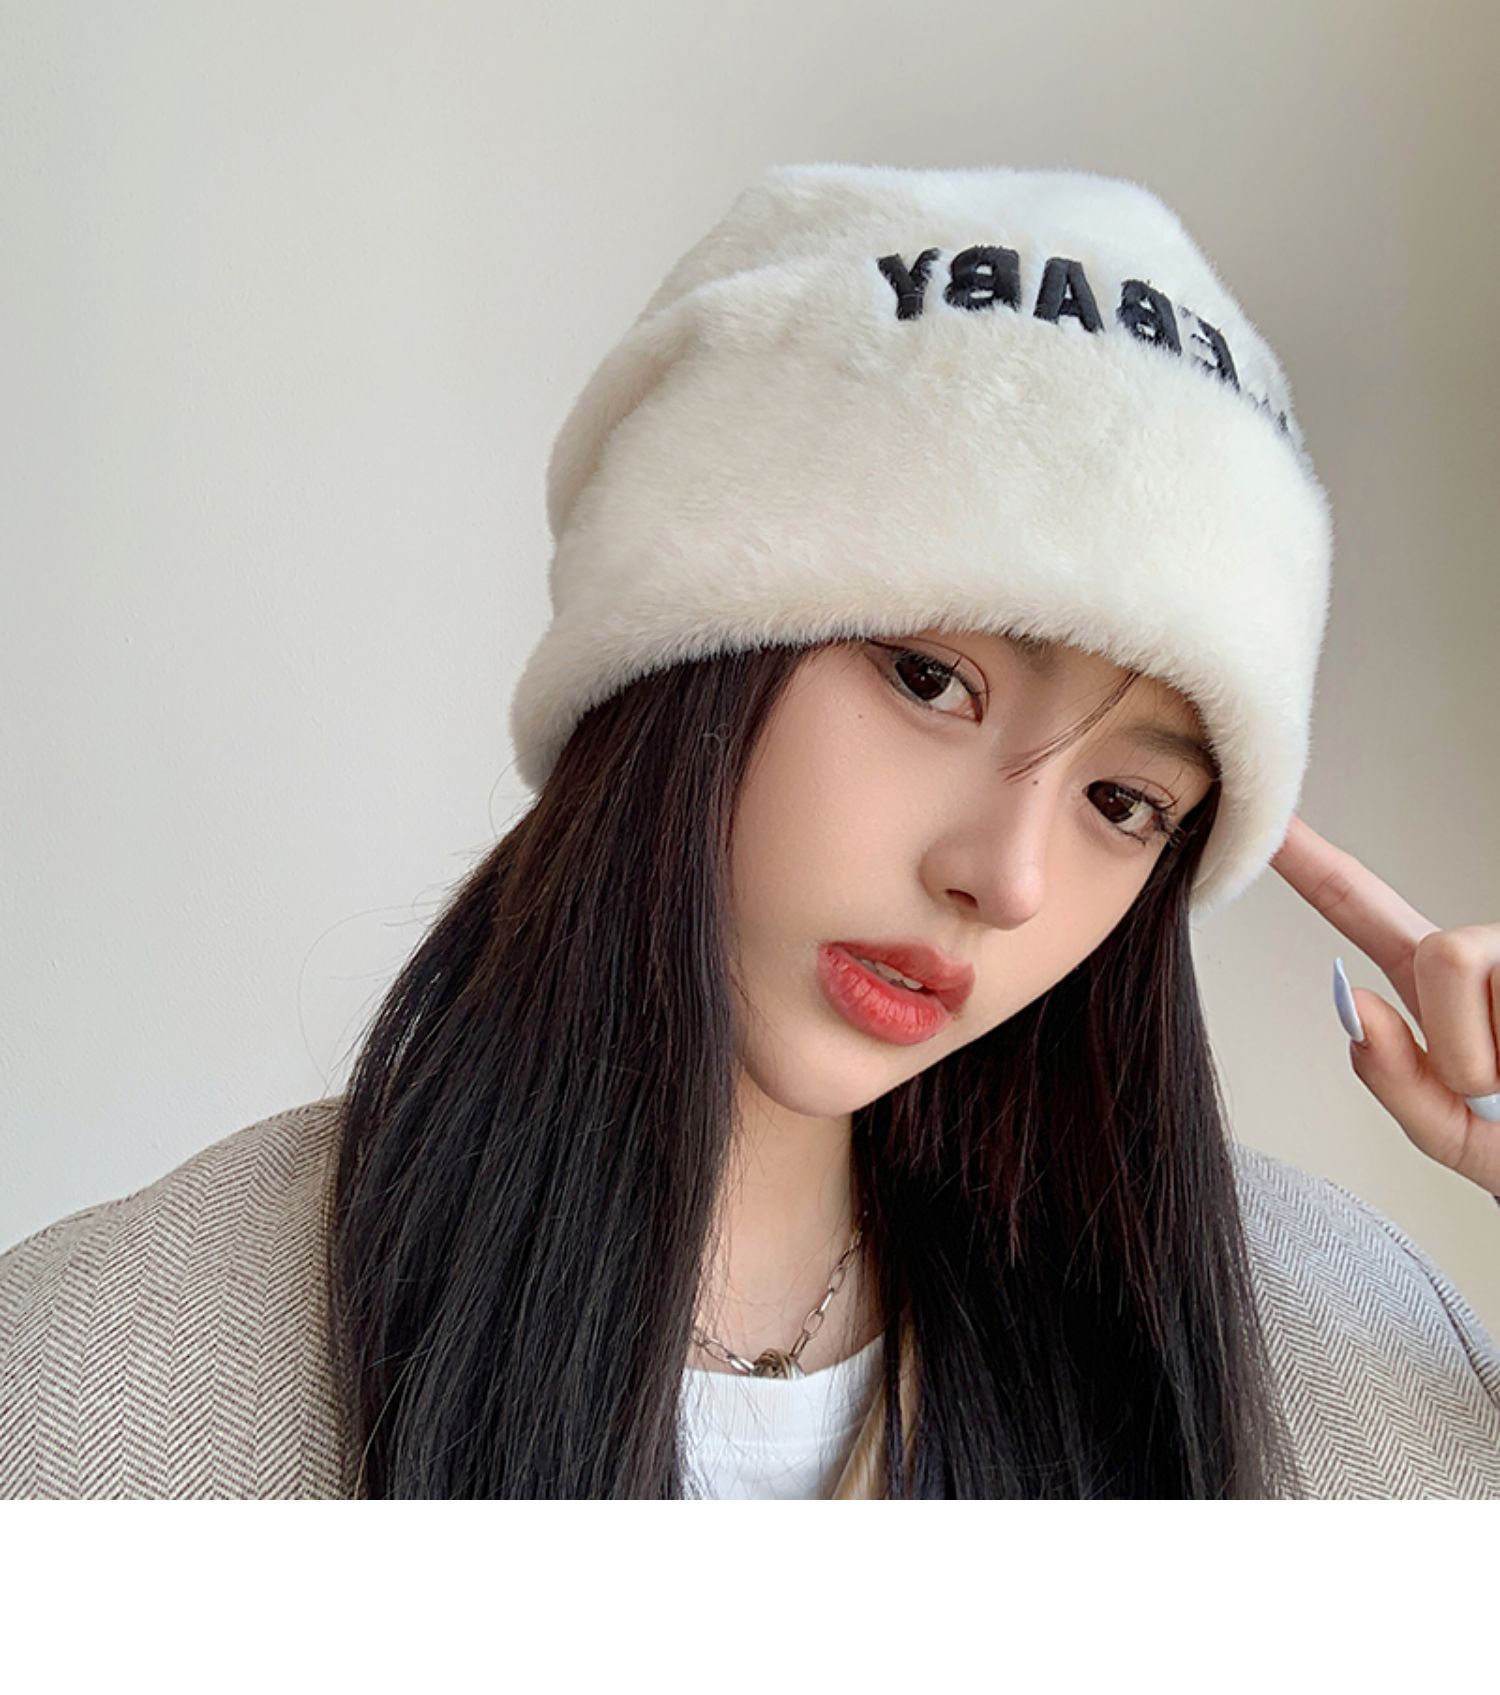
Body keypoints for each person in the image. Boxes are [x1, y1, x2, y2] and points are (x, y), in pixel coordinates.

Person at [3, 163, 1499, 1500]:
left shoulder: (1335, 1364)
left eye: (1126, 803)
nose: (1005, 876)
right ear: (682, 656)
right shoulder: (114, 1388)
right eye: (932, 681)